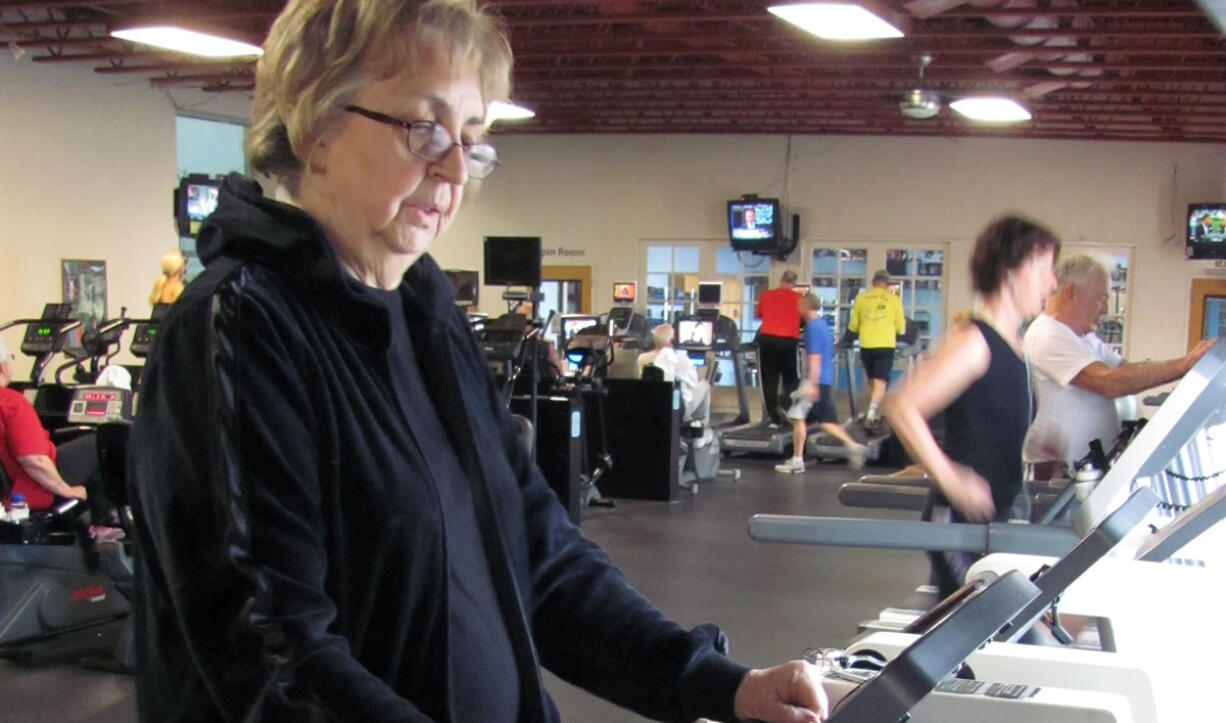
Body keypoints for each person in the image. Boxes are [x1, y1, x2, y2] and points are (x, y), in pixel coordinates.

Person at [127, 2, 827, 721]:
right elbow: (280, 663)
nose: (457, 168)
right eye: (424, 129)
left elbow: (539, 556)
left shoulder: (428, 317)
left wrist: (717, 683)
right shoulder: (238, 329)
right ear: (316, 127)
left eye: (472, 138)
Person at [883, 214, 1061, 598]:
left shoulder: (1014, 347)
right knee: (981, 628)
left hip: (993, 517)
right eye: (1044, 269)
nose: (1053, 282)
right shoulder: (974, 341)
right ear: (1012, 271)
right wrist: (950, 477)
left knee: (998, 628)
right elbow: (901, 406)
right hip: (958, 522)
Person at [1023, 254, 1214, 477]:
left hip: (1090, 469)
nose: (1104, 310)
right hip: (1057, 474)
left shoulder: (1083, 337)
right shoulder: (1047, 335)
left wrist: (1184, 366)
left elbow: (1127, 371)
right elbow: (1110, 383)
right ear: (1071, 292)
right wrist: (1185, 364)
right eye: (1100, 299)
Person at [775, 294, 869, 474]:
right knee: (817, 420)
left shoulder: (812, 328)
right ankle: (800, 458)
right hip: (822, 379)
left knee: (802, 418)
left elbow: (814, 358)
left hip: (816, 380)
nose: (797, 308)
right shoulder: (823, 325)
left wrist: (811, 384)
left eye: (799, 305)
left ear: (805, 305)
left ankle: (798, 460)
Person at [0, 337, 90, 510]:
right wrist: (67, 490)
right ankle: (105, 522)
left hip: (9, 488)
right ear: (3, 367)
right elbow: (34, 460)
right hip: (27, 488)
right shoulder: (11, 402)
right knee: (100, 444)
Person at [848, 269, 905, 429]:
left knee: (871, 380)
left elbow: (853, 324)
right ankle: (872, 414)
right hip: (885, 344)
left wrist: (848, 338)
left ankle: (873, 411)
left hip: (866, 344)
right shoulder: (894, 300)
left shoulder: (862, 298)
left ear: (873, 282)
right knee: (881, 382)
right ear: (887, 284)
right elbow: (901, 327)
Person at [637, 322, 712, 427]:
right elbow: (693, 383)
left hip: (652, 406)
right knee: (704, 384)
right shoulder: (681, 358)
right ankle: (699, 428)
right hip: (676, 408)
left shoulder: (642, 358)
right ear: (672, 341)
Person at [755, 269, 802, 427]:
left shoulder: (767, 295)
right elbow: (803, 319)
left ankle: (773, 419)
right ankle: (789, 411)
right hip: (788, 341)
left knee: (770, 380)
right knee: (790, 379)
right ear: (794, 283)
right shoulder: (798, 298)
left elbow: (759, 314)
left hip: (768, 340)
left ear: (781, 280)